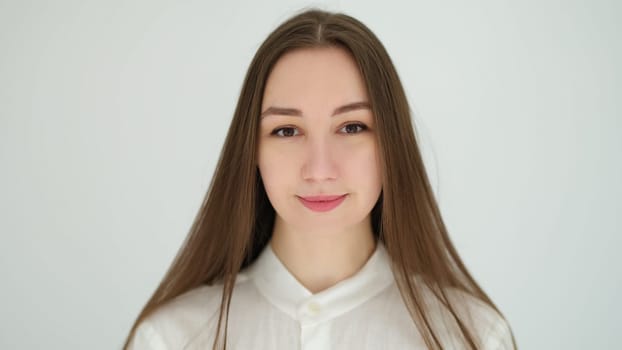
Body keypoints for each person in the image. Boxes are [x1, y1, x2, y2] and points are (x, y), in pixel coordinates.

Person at [123, 8, 517, 350]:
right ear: (251, 153)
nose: (320, 169)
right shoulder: (172, 339)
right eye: (287, 131)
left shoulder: (472, 337)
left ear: (391, 147)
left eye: (351, 127)